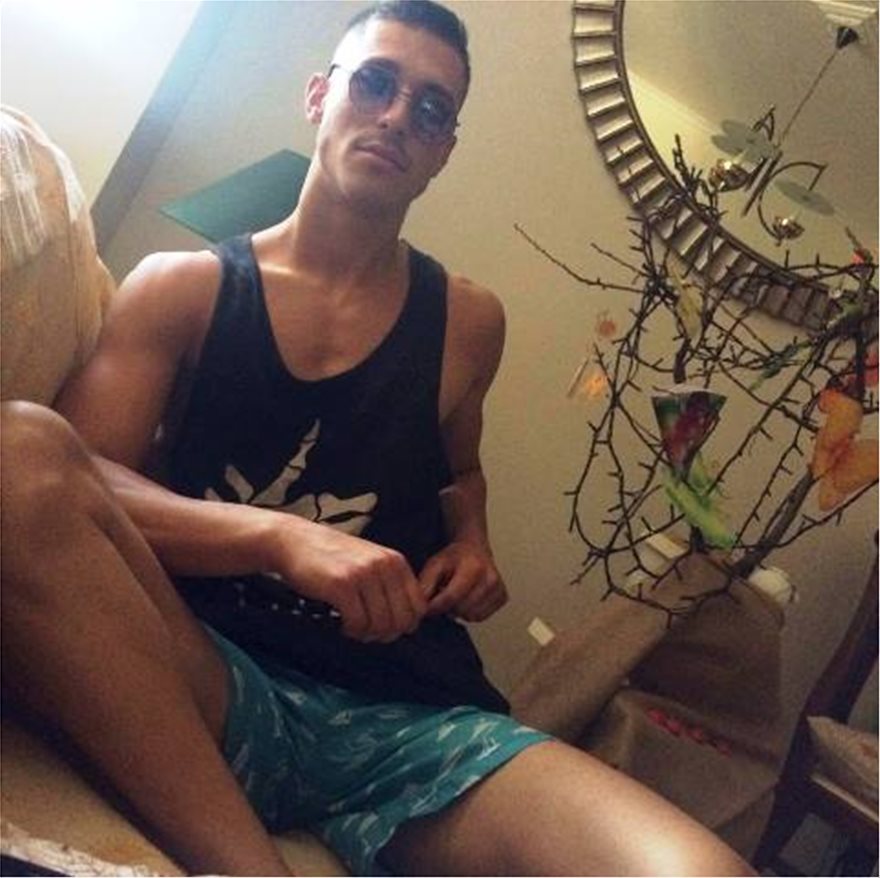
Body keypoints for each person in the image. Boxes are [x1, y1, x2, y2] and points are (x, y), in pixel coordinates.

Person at [1, 2, 753, 875]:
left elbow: (461, 469)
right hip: (206, 675)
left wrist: (472, 541)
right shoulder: (184, 287)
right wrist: (279, 538)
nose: (397, 116)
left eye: (431, 109)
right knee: (17, 451)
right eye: (375, 83)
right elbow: (76, 480)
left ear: (444, 151)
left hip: (409, 719)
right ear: (320, 96)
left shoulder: (469, 322)